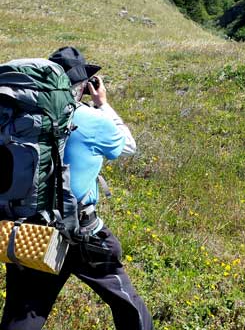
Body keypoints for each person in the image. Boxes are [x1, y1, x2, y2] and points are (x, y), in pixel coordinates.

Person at [0, 47, 153, 330]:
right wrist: (102, 104)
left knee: (24, 314)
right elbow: (128, 146)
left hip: (31, 230)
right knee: (126, 303)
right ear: (83, 85)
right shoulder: (94, 121)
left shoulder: (20, 120)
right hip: (83, 232)